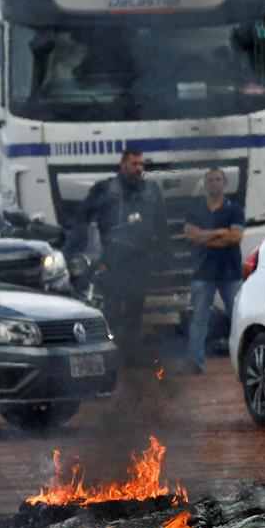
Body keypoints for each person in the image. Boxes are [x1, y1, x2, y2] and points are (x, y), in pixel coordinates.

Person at [64, 147, 166, 366]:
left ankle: (130, 357)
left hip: (140, 262)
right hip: (112, 262)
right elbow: (82, 218)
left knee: (135, 311)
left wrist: (163, 254)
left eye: (141, 164)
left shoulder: (151, 190)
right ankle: (109, 355)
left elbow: (161, 226)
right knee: (110, 311)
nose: (138, 169)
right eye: (134, 164)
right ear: (123, 165)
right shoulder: (104, 189)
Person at [182, 167, 245, 375]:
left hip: (231, 273)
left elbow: (235, 237)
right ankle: (194, 362)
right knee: (199, 318)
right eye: (211, 179)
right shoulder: (195, 209)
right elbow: (190, 236)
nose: (215, 183)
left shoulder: (234, 209)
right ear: (205, 183)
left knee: (238, 317)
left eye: (218, 179)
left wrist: (205, 236)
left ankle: (243, 360)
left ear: (225, 184)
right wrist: (219, 233)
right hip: (203, 273)